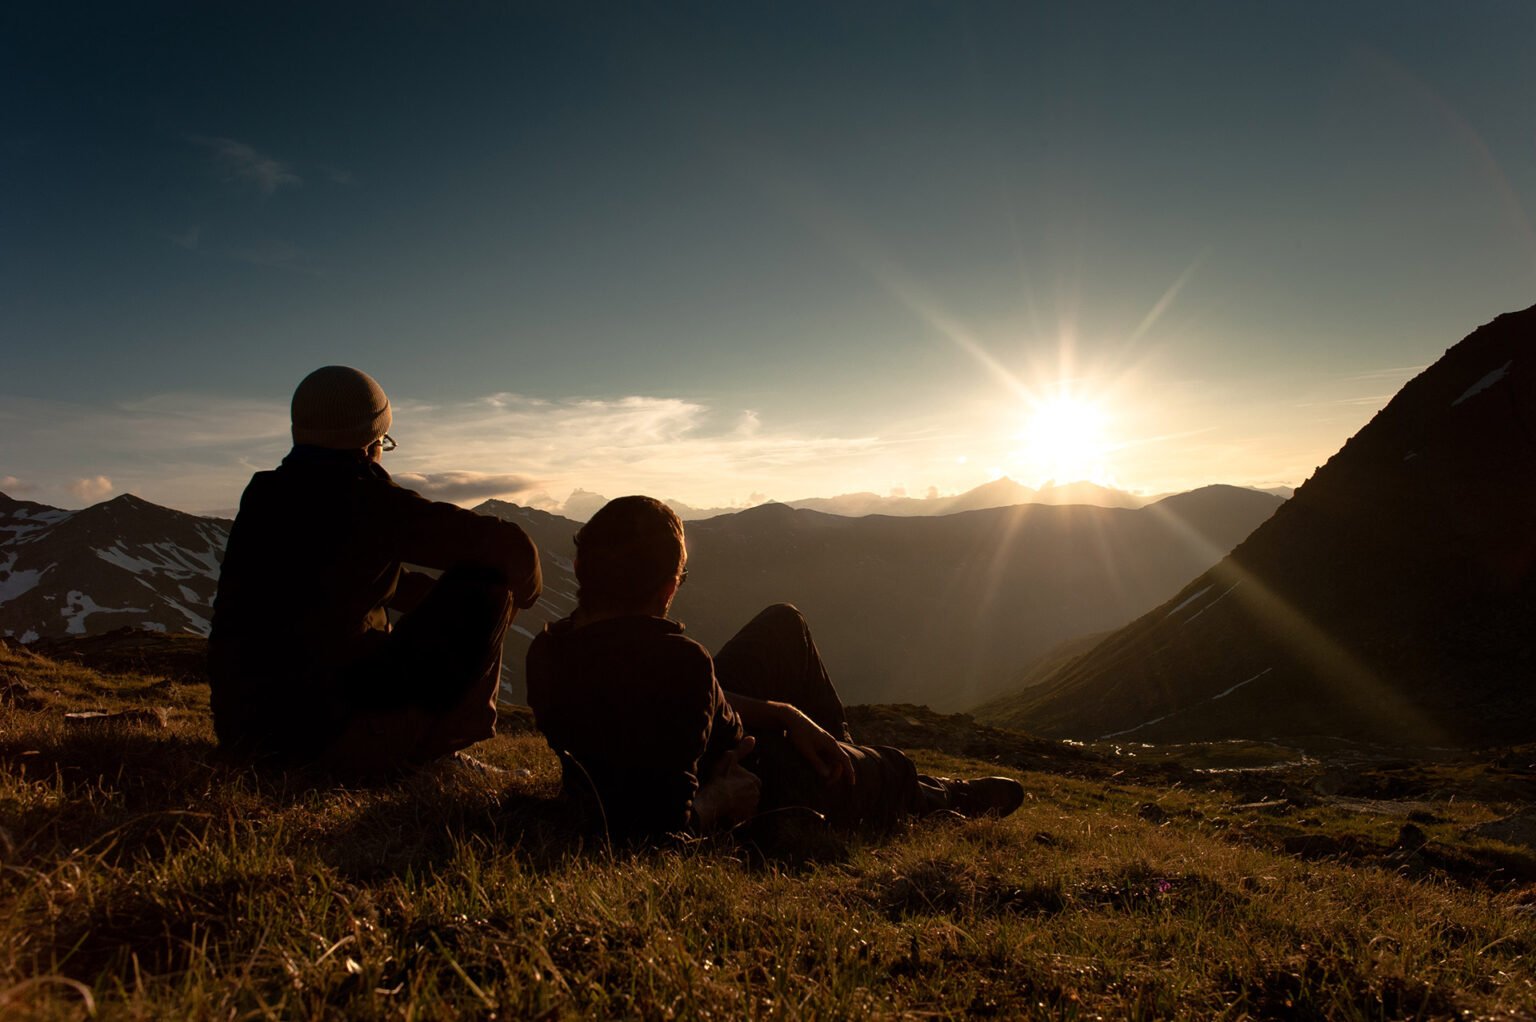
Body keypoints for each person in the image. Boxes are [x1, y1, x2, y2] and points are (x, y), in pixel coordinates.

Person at [526, 495, 1023, 843]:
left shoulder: (550, 651)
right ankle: (910, 793)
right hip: (748, 773)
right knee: (890, 768)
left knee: (782, 625)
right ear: (667, 588)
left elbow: (664, 702)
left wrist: (786, 714)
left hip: (715, 741)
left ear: (582, 569)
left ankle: (849, 760)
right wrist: (720, 799)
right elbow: (654, 834)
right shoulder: (679, 663)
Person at [208, 365, 542, 774]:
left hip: (246, 733)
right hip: (326, 740)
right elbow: (512, 548)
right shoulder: (368, 499)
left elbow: (342, 580)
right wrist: (518, 598)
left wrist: (430, 602)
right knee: (490, 582)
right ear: (370, 441)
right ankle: (433, 751)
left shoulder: (264, 494)